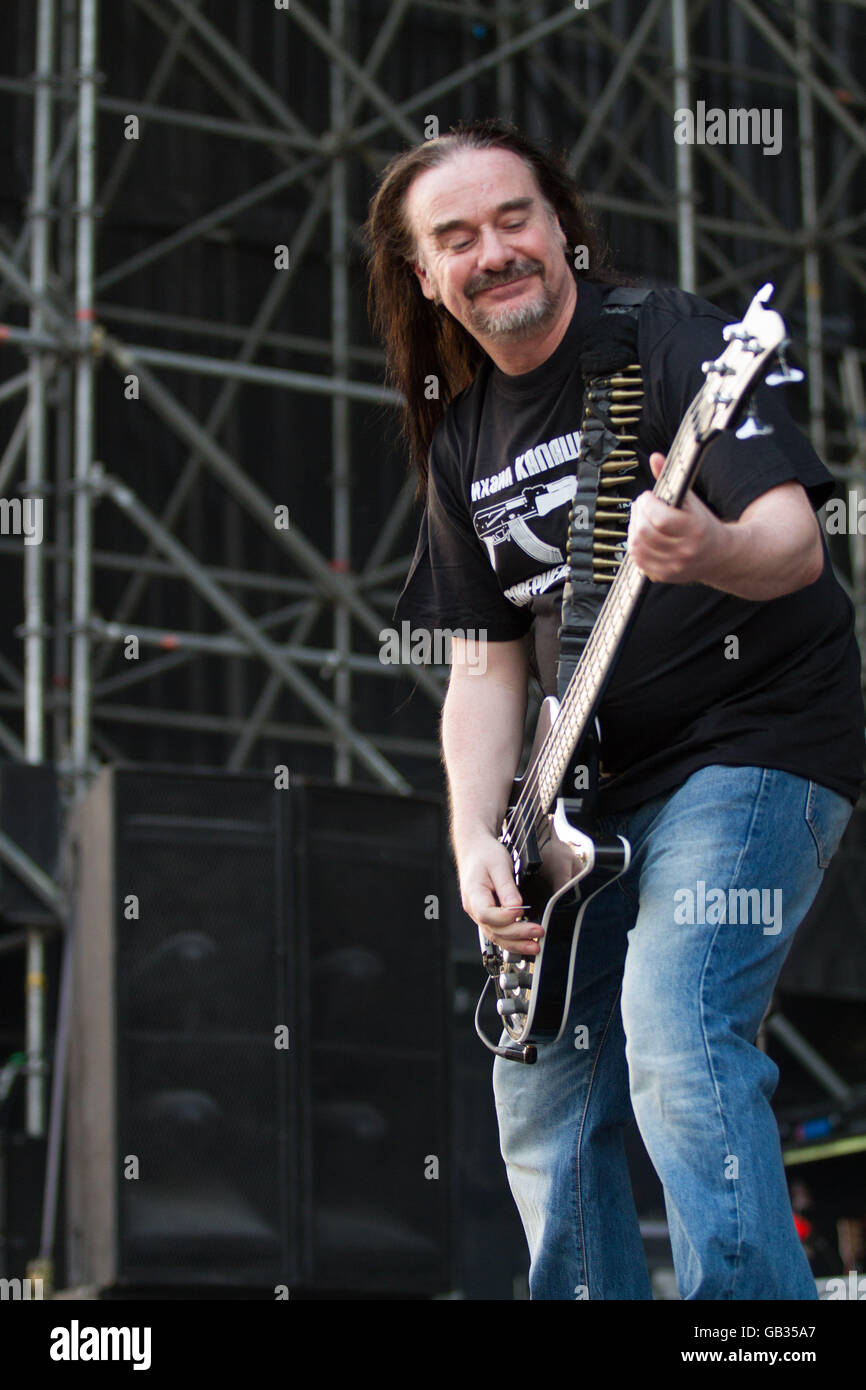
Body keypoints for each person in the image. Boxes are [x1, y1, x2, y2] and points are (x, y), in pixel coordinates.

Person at [363, 118, 865, 1300]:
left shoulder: (670, 338)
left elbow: (793, 546)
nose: (494, 250)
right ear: (425, 276)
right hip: (580, 795)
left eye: (513, 217)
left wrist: (706, 548)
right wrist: (475, 838)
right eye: (457, 237)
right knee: (535, 1082)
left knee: (676, 1027)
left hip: (751, 742)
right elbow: (485, 669)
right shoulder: (460, 440)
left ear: (559, 230)